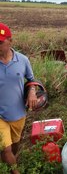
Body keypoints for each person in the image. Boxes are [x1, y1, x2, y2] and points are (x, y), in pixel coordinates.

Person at [0, 23, 37, 174]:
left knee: (14, 146)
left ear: (10, 41)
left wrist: (32, 91)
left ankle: (7, 163)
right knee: (6, 148)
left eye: (0, 43)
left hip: (18, 113)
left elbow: (32, 80)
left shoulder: (23, 60)